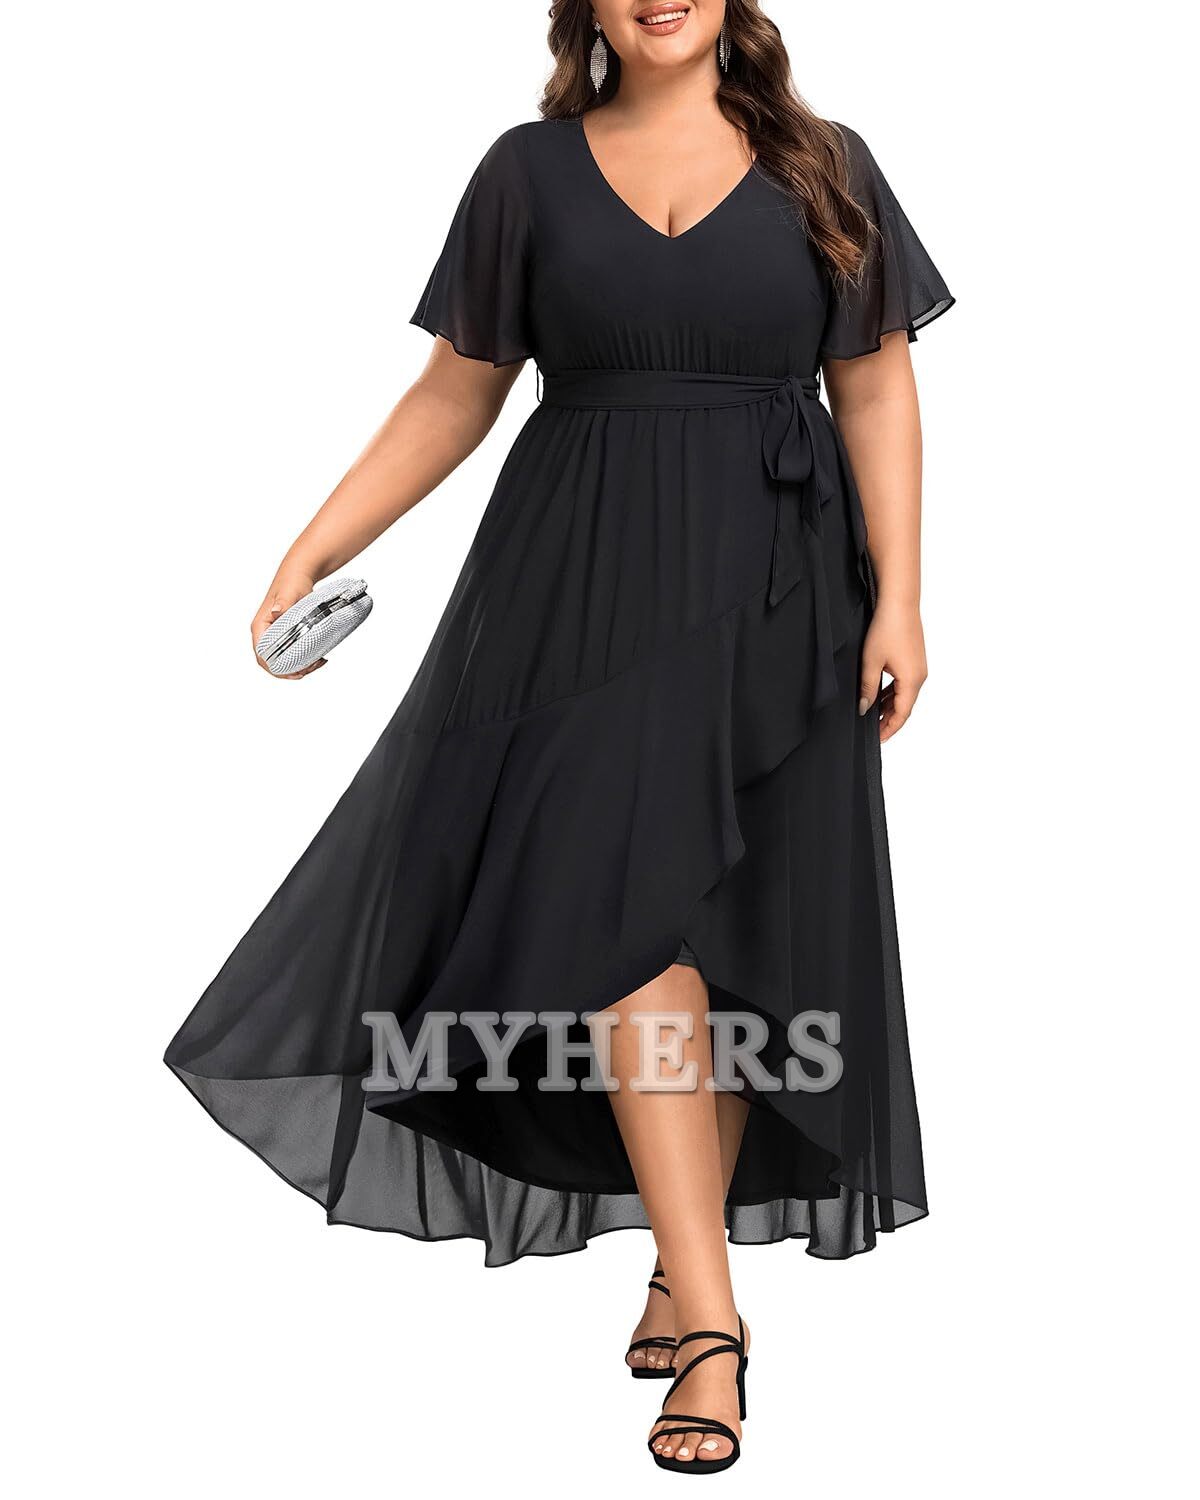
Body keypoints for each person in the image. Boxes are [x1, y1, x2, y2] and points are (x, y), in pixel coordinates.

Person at [165, 0, 953, 1473]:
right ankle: (714, 1327)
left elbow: (877, 384)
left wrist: (901, 598)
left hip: (781, 595)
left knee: (731, 937)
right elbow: (457, 390)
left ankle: (679, 1271)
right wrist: (312, 550)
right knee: (621, 925)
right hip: (577, 593)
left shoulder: (828, 164)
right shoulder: (525, 173)